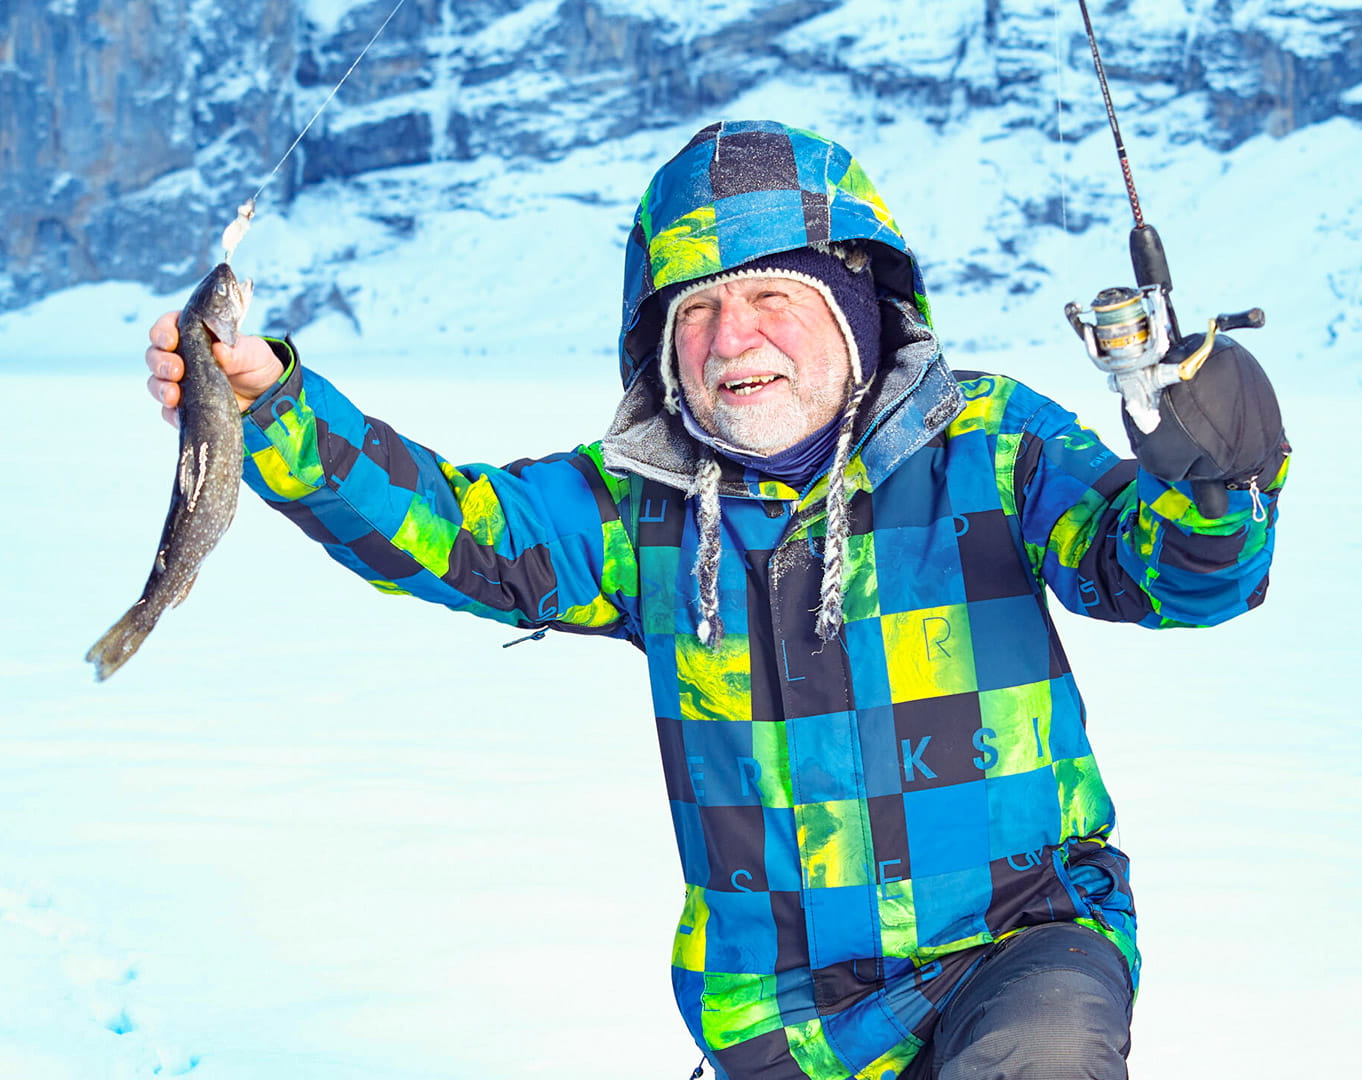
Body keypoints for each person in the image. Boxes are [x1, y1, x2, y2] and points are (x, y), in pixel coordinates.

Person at [142, 122, 1288, 1080]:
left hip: (1018, 951)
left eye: (771, 296)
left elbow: (1168, 572)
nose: (731, 336)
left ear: (855, 309)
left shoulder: (982, 443)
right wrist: (275, 409)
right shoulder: (635, 511)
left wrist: (1216, 474)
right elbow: (449, 529)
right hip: (777, 1025)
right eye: (693, 310)